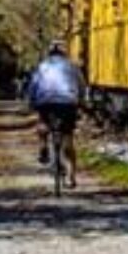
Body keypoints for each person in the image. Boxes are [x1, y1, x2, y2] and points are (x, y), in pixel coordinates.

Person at [24, 41, 86, 186]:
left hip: (46, 102)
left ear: (49, 53)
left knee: (42, 123)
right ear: (64, 54)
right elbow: (81, 86)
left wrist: (31, 103)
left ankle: (43, 145)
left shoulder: (42, 66)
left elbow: (33, 86)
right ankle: (71, 176)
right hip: (67, 102)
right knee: (68, 137)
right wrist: (81, 102)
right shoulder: (72, 66)